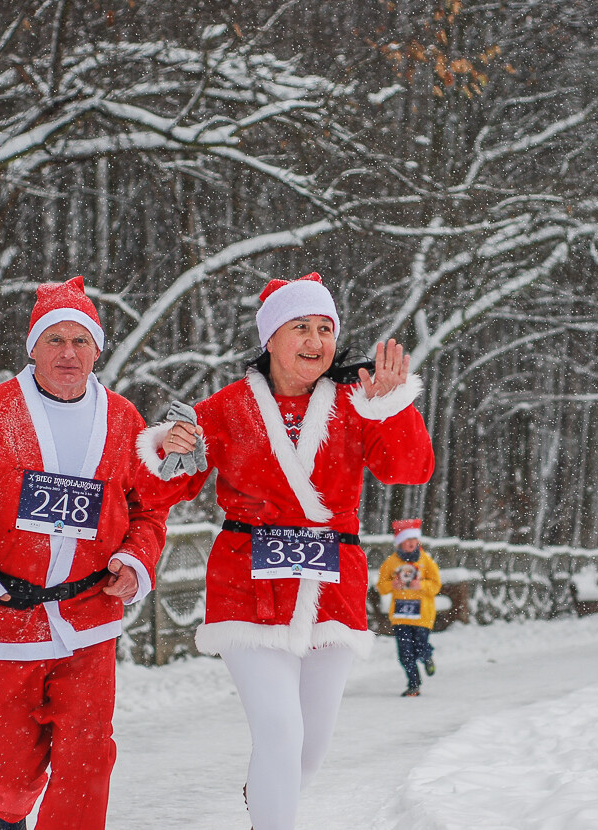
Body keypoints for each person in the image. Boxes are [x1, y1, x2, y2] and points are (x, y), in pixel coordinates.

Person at [134, 272, 434, 830]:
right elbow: (163, 486)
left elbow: (408, 469)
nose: (315, 340)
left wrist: (393, 408)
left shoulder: (356, 402)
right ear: (270, 337)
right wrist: (168, 445)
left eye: (325, 327)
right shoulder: (226, 409)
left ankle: (266, 793)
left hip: (330, 586)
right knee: (280, 731)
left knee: (309, 750)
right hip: (249, 585)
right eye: (301, 327)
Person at [0, 276, 167, 830]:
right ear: (32, 347)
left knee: (89, 762)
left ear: (98, 348)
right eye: (55, 340)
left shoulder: (124, 421)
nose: (68, 353)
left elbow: (149, 508)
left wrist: (137, 561)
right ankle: (7, 816)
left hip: (89, 617)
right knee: (9, 774)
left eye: (81, 341)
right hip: (4, 620)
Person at [376, 518, 442, 697]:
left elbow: (436, 585)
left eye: (414, 539)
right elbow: (381, 586)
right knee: (405, 653)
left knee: (420, 646)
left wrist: (421, 586)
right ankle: (414, 684)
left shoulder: (426, 560)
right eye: (407, 540)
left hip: (422, 614)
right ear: (399, 542)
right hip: (401, 614)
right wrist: (393, 585)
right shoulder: (391, 562)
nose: (412, 543)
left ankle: (426, 656)